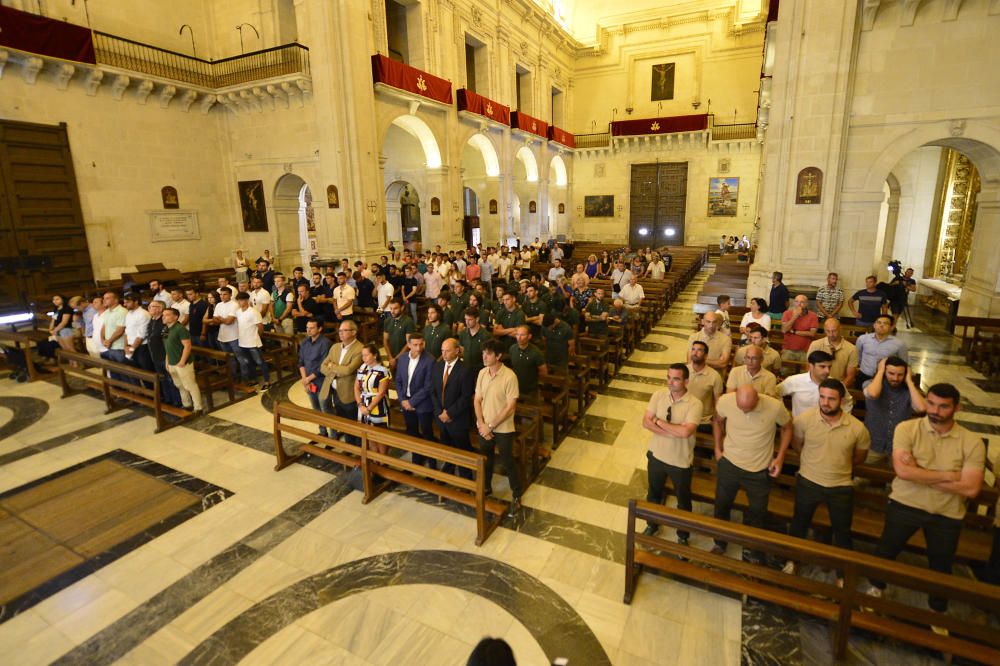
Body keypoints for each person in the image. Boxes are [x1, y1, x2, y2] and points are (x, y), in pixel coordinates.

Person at [866, 383, 985, 615]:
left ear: (956, 408)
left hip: (946, 513)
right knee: (886, 551)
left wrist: (920, 472)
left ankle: (937, 610)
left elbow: (971, 489)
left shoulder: (971, 442)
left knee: (941, 566)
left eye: (943, 407)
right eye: (930, 403)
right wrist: (951, 476)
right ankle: (876, 589)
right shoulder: (906, 429)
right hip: (905, 504)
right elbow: (903, 472)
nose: (935, 411)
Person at [782, 379, 869, 579]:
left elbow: (859, 458)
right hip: (808, 480)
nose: (825, 402)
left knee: (842, 532)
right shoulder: (804, 419)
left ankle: (842, 573)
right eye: (822, 397)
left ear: (841, 400)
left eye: (831, 399)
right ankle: (792, 560)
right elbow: (798, 445)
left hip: (840, 486)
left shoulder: (857, 428)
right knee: (799, 524)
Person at [711, 385, 793, 559]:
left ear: (758, 399)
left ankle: (753, 549)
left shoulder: (774, 407)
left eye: (750, 408)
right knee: (721, 505)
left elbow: (787, 427)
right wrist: (717, 448)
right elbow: (718, 421)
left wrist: (780, 457)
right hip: (730, 465)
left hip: (758, 471)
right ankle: (719, 542)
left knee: (757, 512)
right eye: (742, 409)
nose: (746, 412)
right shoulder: (725, 401)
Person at [642, 363, 703, 543]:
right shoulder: (658, 395)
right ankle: (652, 524)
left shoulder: (695, 403)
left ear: (686, 381)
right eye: (668, 377)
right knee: (653, 494)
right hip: (656, 456)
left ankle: (682, 535)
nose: (671, 382)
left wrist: (659, 423)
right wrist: (672, 432)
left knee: (683, 501)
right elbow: (645, 422)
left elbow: (686, 432)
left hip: (680, 462)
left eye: (676, 379)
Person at [474, 339, 522, 514]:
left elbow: (510, 407)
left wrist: (491, 426)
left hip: (503, 429)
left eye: (488, 353)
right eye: (483, 353)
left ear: (499, 356)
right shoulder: (482, 373)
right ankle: (486, 487)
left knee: (508, 461)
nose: (484, 356)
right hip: (484, 427)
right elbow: (477, 399)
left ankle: (516, 494)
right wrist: (481, 423)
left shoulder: (509, 376)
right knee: (486, 459)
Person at [862, 356, 926, 465]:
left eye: (900, 374)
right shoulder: (870, 384)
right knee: (862, 480)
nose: (895, 378)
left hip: (899, 447)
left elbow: (921, 408)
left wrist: (909, 382)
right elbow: (873, 394)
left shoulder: (909, 390)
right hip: (873, 445)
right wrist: (881, 371)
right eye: (891, 373)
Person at [432, 337, 476, 477]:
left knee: (462, 451)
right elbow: (433, 391)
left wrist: (449, 413)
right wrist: (440, 412)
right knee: (447, 447)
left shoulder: (465, 369)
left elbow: (466, 397)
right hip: (441, 419)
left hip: (457, 419)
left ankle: (466, 479)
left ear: (457, 351)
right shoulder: (438, 366)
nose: (444, 354)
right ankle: (449, 471)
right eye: (442, 351)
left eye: (447, 351)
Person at [320, 319, 364, 435]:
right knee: (343, 422)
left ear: (354, 332)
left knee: (353, 422)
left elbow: (348, 370)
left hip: (349, 392)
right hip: (335, 390)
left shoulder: (360, 349)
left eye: (344, 330)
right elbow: (322, 367)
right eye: (339, 331)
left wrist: (332, 366)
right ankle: (348, 446)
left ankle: (357, 447)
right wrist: (337, 369)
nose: (340, 333)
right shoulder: (335, 347)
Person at [777, 350, 854, 417]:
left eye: (829, 367)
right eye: (822, 367)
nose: (827, 371)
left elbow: (848, 402)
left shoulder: (836, 384)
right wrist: (784, 415)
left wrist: (842, 417)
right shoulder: (794, 380)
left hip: (826, 427)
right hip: (799, 426)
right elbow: (775, 393)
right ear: (811, 366)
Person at [163, 306, 203, 413]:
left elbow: (187, 346)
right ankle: (187, 404)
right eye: (163, 315)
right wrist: (167, 361)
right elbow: (167, 346)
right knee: (179, 385)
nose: (164, 317)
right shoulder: (165, 329)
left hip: (183, 363)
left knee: (190, 385)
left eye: (167, 315)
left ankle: (198, 407)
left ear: (175, 317)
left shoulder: (180, 329)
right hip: (172, 362)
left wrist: (182, 361)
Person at [298, 319, 334, 436]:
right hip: (309, 382)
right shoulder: (304, 342)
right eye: (307, 327)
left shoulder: (325, 343)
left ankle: (333, 435)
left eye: (312, 328)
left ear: (319, 329)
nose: (308, 330)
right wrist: (305, 380)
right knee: (316, 409)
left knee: (326, 409)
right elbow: (301, 362)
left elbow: (323, 366)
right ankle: (322, 432)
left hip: (322, 381)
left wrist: (308, 379)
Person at [355, 344, 392, 449]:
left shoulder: (382, 371)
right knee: (368, 434)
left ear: (375, 355)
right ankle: (375, 460)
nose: (364, 358)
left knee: (380, 436)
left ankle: (382, 462)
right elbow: (356, 388)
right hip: (363, 403)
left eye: (366, 355)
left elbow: (381, 392)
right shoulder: (363, 368)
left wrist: (369, 408)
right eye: (363, 355)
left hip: (377, 405)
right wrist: (360, 405)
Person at [855, 314, 908, 385]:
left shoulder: (899, 344)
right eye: (878, 322)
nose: (881, 325)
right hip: (863, 376)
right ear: (874, 325)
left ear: (892, 327)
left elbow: (904, 364)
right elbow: (858, 357)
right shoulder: (863, 339)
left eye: (885, 323)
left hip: (885, 379)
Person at [807, 318, 859, 388]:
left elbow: (850, 376)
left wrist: (838, 389)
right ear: (824, 330)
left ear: (840, 329)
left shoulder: (851, 349)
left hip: (839, 385)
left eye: (834, 331)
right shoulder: (815, 344)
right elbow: (809, 367)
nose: (831, 334)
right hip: (817, 384)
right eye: (828, 331)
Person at [687, 341, 724, 435]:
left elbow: (718, 402)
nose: (695, 353)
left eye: (699, 350)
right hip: (683, 417)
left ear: (706, 356)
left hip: (703, 421)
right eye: (693, 349)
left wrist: (716, 421)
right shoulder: (683, 371)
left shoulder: (714, 376)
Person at [234, 292, 270, 389]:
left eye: (242, 300)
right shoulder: (238, 312)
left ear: (246, 300)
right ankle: (254, 379)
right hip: (242, 342)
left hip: (253, 342)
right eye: (238, 300)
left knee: (260, 362)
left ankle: (267, 381)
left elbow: (260, 327)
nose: (240, 302)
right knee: (249, 362)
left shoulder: (253, 312)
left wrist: (255, 337)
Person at [509, 325, 547, 401]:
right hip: (515, 388)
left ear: (529, 336)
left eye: (522, 335)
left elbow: (543, 372)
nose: (519, 338)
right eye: (517, 334)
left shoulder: (536, 352)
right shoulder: (512, 349)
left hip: (530, 391)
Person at [779, 294, 818, 368]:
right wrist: (794, 317)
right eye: (796, 302)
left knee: (804, 375)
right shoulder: (787, 313)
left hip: (805, 350)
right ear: (794, 303)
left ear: (806, 304)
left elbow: (812, 333)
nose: (799, 304)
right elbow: (784, 330)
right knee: (785, 372)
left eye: (802, 302)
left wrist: (794, 332)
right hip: (788, 349)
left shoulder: (812, 315)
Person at [460, 308, 490, 373]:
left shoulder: (486, 335)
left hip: (480, 370)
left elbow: (489, 355)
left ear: (477, 319)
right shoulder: (463, 333)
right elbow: (462, 349)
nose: (467, 322)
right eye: (466, 319)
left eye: (470, 319)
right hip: (466, 369)